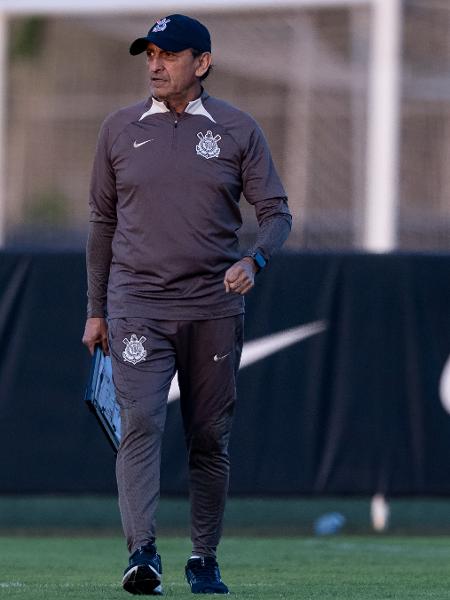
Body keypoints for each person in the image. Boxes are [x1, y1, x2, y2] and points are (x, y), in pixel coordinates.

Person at [82, 13, 291, 596]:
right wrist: (96, 309)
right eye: (149, 54)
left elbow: (277, 213)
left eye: (168, 55)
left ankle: (203, 558)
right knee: (142, 421)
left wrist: (255, 260)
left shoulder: (237, 129)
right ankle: (142, 554)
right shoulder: (119, 129)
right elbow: (101, 221)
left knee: (207, 437)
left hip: (213, 310)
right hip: (137, 306)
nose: (155, 65)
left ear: (201, 63)